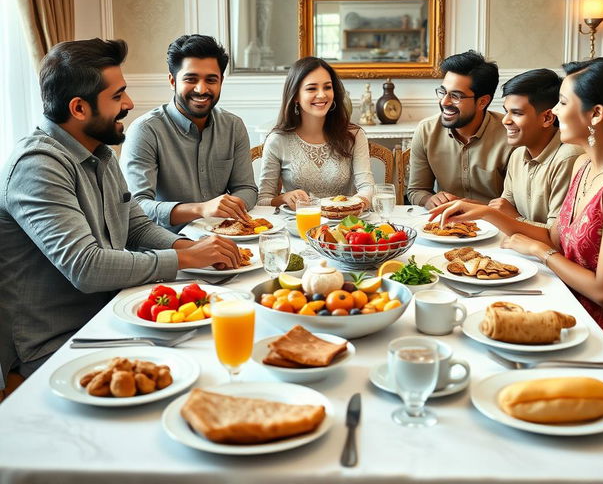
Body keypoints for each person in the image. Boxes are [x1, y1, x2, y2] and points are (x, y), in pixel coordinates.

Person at [0, 39, 241, 391]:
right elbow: (87, 267)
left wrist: (195, 247)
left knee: (214, 345)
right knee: (204, 368)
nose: (129, 104)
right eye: (118, 96)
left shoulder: (100, 153)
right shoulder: (38, 166)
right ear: (79, 108)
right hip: (58, 342)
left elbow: (138, 227)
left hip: (108, 315)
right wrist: (185, 256)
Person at [432, 58, 603, 370]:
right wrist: (485, 213)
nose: (555, 112)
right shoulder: (584, 165)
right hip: (569, 302)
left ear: (596, 114)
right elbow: (557, 236)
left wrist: (540, 252)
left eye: (564, 103)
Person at [120, 34, 258, 232]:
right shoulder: (145, 131)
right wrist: (201, 209)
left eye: (211, 80)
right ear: (172, 81)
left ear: (221, 82)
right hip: (166, 248)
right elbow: (136, 207)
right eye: (191, 79)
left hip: (224, 238)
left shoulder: (233, 126)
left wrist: (228, 209)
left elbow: (247, 189)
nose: (202, 89)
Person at [257, 56, 374, 208]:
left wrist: (353, 205)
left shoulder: (354, 136)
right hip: (297, 225)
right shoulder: (277, 140)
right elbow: (263, 200)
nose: (322, 95)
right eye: (312, 88)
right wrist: (284, 198)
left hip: (344, 225)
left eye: (327, 87)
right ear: (295, 96)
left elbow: (367, 188)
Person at [407, 50, 513, 208]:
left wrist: (469, 207)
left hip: (496, 225)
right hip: (445, 225)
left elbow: (513, 202)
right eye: (443, 92)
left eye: (455, 96)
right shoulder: (426, 131)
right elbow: (416, 190)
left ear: (482, 102)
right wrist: (429, 200)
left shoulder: (510, 135)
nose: (444, 102)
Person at [489, 69, 582, 226]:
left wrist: (516, 218)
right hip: (518, 245)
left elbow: (558, 234)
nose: (505, 120)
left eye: (517, 113)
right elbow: (504, 208)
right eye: (506, 112)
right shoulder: (517, 155)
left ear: (547, 118)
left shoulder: (569, 158)